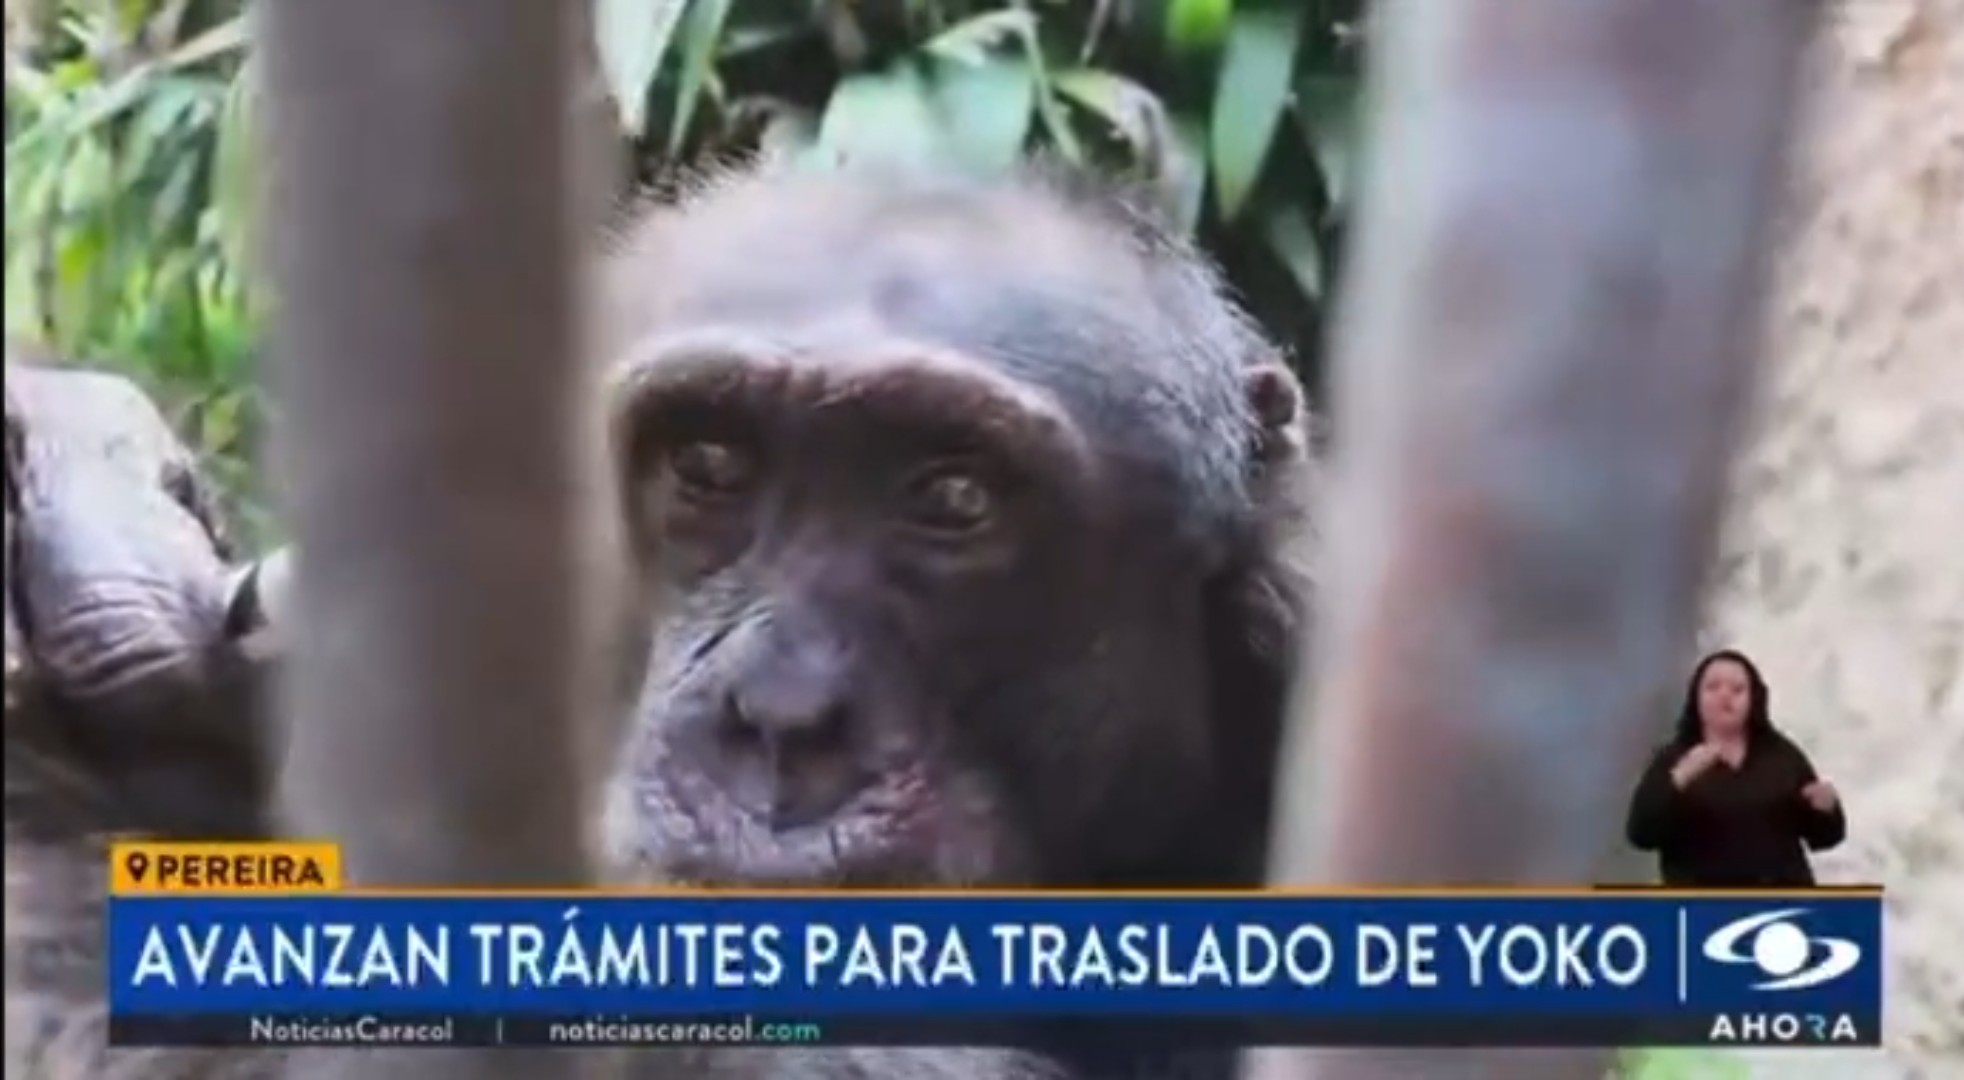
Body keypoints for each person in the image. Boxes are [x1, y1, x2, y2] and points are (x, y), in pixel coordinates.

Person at [1625, 648, 1847, 887]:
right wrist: (1678, 779)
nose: (1725, 696)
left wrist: (1827, 809)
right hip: (1704, 912)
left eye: (1737, 690)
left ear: (1754, 699)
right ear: (1695, 698)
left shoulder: (1782, 756)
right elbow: (1641, 834)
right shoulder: (1674, 759)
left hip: (1782, 910)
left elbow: (1824, 837)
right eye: (1713, 688)